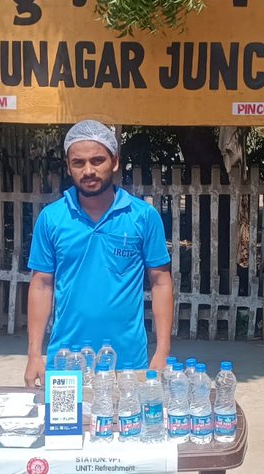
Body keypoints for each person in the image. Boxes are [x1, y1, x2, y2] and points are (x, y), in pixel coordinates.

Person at [24, 119, 174, 389]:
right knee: (66, 430)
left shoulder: (143, 217)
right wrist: (34, 354)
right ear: (68, 166)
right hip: (65, 361)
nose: (89, 170)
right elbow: (41, 285)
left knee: (127, 429)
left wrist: (162, 352)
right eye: (78, 163)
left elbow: (161, 283)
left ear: (115, 161)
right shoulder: (52, 218)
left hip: (128, 363)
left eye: (97, 160)